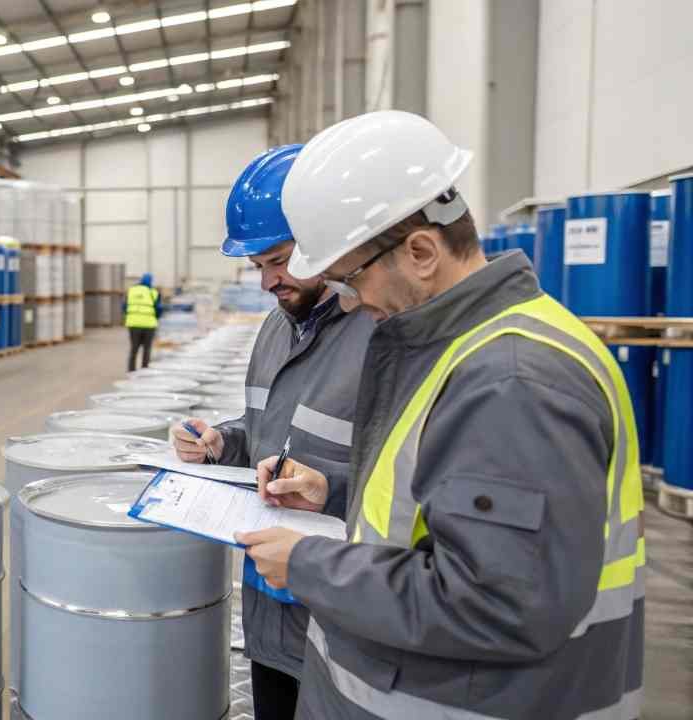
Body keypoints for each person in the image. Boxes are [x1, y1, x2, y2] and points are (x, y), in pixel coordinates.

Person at [236, 110, 645, 719]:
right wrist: (332, 490)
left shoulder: (510, 381)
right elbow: (437, 513)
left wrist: (307, 566)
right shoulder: (461, 348)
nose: (350, 301)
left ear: (422, 252)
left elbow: (498, 602)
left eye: (350, 279)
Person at [170, 145, 374, 720]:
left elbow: (408, 484)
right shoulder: (277, 329)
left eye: (278, 261)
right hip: (270, 610)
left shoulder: (379, 335)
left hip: (341, 624)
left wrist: (328, 487)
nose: (267, 281)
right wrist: (221, 442)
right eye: (258, 266)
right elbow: (265, 432)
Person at [124, 273, 162, 371]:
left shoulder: (131, 290)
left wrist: (131, 316)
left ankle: (131, 371)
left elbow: (124, 307)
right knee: (147, 349)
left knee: (134, 348)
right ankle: (144, 372)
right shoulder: (153, 292)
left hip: (133, 325)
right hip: (149, 325)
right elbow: (159, 309)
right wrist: (156, 317)